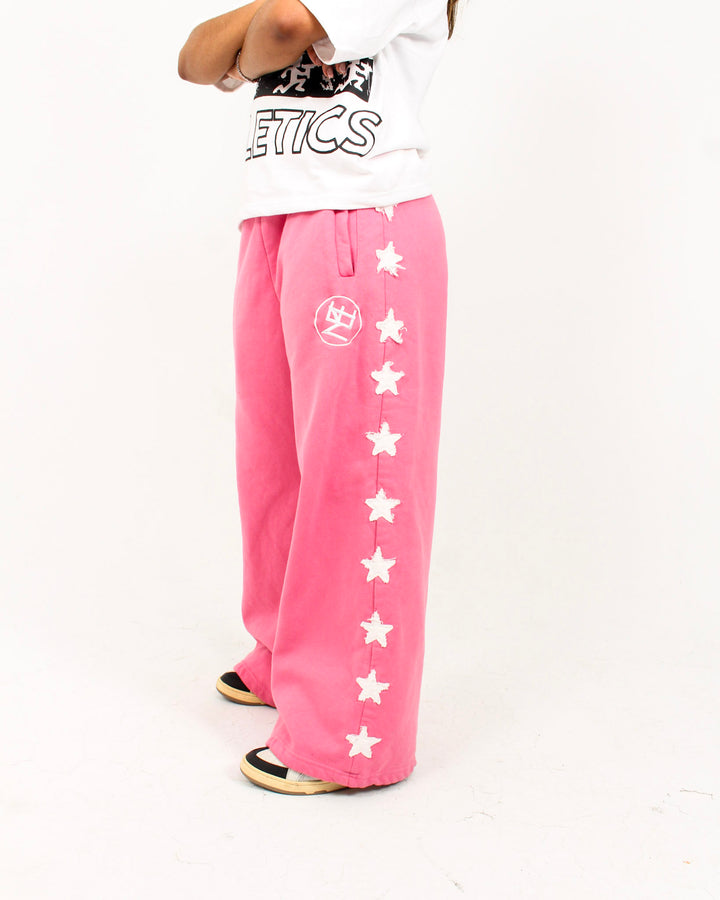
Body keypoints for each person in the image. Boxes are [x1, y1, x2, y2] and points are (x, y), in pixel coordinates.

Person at [178, 0, 461, 795]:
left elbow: (282, 30)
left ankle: (348, 731)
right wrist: (251, 41)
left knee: (354, 478)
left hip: (363, 223)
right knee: (272, 460)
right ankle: (286, 654)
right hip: (277, 220)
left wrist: (248, 48)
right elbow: (194, 57)